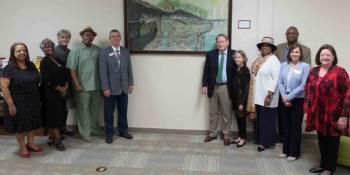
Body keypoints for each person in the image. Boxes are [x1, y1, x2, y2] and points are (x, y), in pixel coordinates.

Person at [305, 44, 349, 175]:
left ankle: (329, 168)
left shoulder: (340, 71)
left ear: (333, 57)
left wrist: (344, 116)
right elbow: (307, 92)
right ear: (319, 56)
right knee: (321, 140)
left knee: (332, 142)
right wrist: (307, 111)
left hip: (334, 115)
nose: (325, 57)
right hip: (318, 114)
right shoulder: (313, 71)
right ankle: (323, 164)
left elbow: (348, 93)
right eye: (322, 55)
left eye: (328, 55)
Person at [0, 43, 43, 158]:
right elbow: (4, 88)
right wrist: (10, 104)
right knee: (20, 126)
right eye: (18, 51)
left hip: (32, 100)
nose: (22, 53)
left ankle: (31, 144)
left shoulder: (31, 65)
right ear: (13, 53)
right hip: (17, 102)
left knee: (31, 124)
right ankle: (22, 147)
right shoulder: (8, 69)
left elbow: (36, 80)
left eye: (24, 50)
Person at [275, 26, 312, 143]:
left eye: (293, 33)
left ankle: (294, 146)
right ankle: (283, 139)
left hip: (297, 93)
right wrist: (284, 95)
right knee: (282, 119)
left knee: (295, 123)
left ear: (297, 34)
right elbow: (277, 67)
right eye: (289, 33)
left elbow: (306, 72)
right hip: (282, 91)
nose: (291, 35)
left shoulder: (306, 50)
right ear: (286, 35)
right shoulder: (279, 48)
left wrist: (289, 97)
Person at [99, 29, 134, 144]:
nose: (115, 38)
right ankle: (109, 134)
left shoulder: (125, 51)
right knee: (109, 113)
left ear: (120, 38)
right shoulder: (104, 52)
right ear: (110, 39)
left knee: (123, 111)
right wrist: (105, 88)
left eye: (117, 36)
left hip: (124, 87)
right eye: (113, 36)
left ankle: (123, 131)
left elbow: (129, 69)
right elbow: (102, 72)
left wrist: (131, 83)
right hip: (110, 89)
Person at [66, 26, 101, 142]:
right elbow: (72, 69)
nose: (88, 37)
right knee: (83, 110)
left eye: (91, 35)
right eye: (86, 35)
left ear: (93, 37)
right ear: (82, 36)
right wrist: (77, 84)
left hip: (96, 85)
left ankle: (94, 129)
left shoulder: (98, 49)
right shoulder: (75, 49)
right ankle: (85, 133)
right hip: (82, 86)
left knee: (95, 109)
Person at [277, 45, 310, 161]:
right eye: (292, 52)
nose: (294, 54)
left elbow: (303, 85)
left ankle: (294, 153)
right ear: (289, 53)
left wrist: (288, 98)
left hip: (297, 100)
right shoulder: (283, 65)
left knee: (295, 127)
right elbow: (279, 82)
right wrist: (284, 97)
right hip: (284, 98)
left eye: (297, 52)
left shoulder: (305, 66)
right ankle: (285, 150)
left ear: (300, 54)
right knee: (285, 126)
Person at [202, 33, 235, 146]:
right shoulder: (210, 54)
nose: (220, 43)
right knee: (213, 112)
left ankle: (226, 135)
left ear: (227, 42)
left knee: (226, 113)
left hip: (226, 87)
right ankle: (212, 134)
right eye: (218, 42)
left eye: (222, 41)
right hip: (213, 86)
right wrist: (204, 85)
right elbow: (206, 71)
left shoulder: (234, 54)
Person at [39, 39, 68, 151]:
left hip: (61, 92)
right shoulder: (44, 62)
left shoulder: (58, 59)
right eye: (46, 47)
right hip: (50, 93)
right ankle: (57, 140)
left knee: (59, 114)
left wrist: (65, 87)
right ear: (43, 49)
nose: (49, 48)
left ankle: (51, 138)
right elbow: (47, 79)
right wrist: (60, 89)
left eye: (51, 46)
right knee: (54, 116)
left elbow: (66, 73)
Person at [253, 37, 281, 152]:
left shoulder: (274, 61)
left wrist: (269, 95)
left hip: (268, 96)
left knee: (267, 120)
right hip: (258, 95)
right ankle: (260, 139)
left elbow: (275, 79)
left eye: (267, 46)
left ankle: (266, 142)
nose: (264, 47)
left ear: (272, 48)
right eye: (262, 45)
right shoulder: (260, 59)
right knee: (260, 119)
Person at [54, 29, 74, 137]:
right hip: (60, 85)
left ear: (69, 39)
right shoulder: (55, 51)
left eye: (66, 37)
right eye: (62, 37)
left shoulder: (69, 51)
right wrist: (61, 86)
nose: (64, 39)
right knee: (59, 109)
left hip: (68, 83)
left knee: (65, 108)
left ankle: (63, 128)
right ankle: (58, 131)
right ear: (58, 38)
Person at [231, 50, 250, 147]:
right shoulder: (236, 68)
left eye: (239, 57)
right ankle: (240, 136)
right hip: (235, 98)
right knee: (238, 119)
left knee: (242, 119)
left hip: (241, 99)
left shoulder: (245, 70)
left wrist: (242, 103)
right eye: (236, 57)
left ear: (244, 59)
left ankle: (243, 138)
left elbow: (246, 88)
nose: (237, 59)